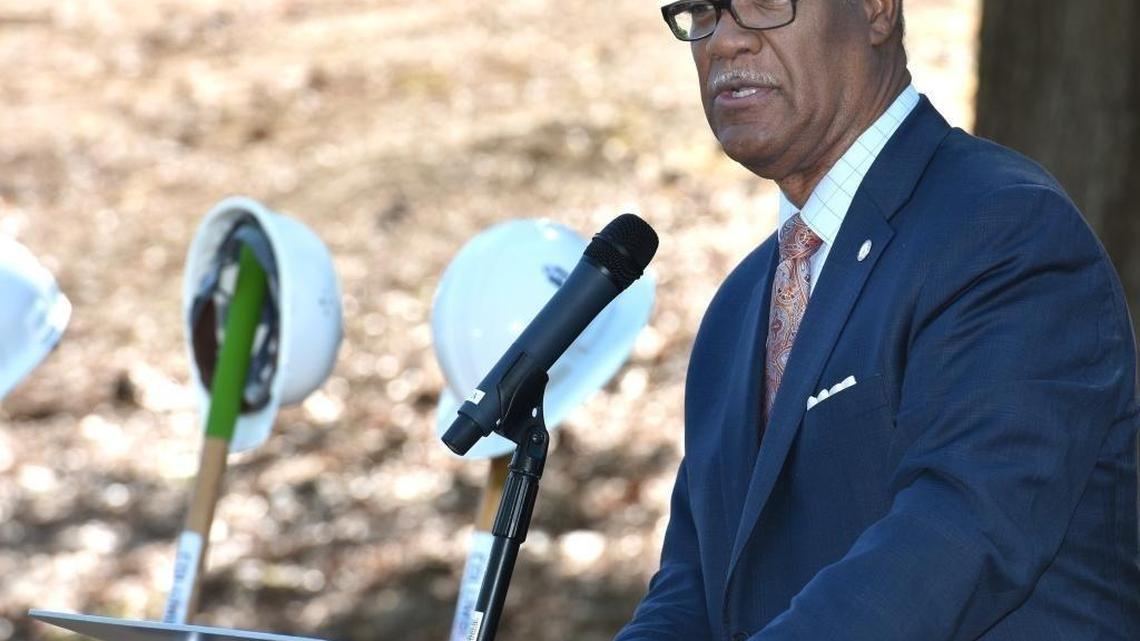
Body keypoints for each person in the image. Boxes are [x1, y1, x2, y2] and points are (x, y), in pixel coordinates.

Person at [615, 0, 1140, 639]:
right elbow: (692, 589)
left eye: (762, 3)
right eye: (703, 11)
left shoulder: (1003, 230)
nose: (724, 40)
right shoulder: (736, 309)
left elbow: (954, 538)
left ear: (876, 11)